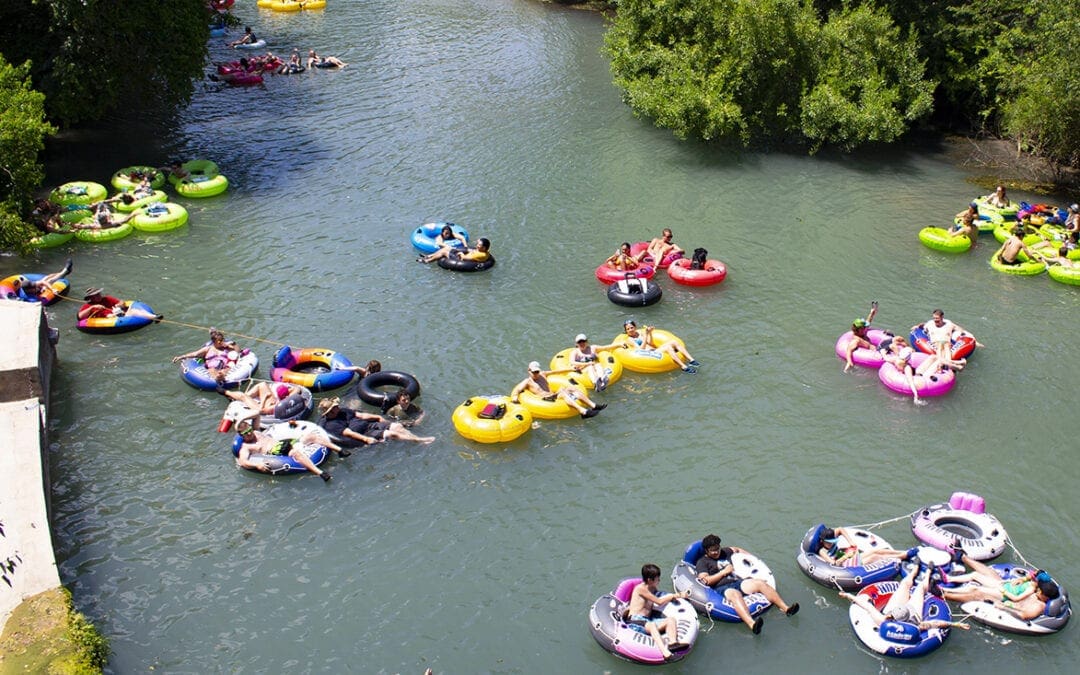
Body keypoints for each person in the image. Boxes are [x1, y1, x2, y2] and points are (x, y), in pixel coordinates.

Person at [694, 534, 799, 634]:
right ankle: (752, 625)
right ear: (706, 550)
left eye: (718, 548)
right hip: (721, 587)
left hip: (737, 582)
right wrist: (723, 572)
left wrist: (753, 560)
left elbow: (737, 549)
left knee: (759, 583)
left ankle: (786, 609)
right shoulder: (702, 562)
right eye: (713, 550)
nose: (716, 552)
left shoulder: (725, 552)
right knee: (735, 594)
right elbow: (705, 580)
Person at [839, 565, 970, 632]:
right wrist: (956, 624)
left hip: (898, 610)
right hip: (913, 612)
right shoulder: (916, 626)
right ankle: (927, 573)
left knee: (904, 584)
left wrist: (848, 595)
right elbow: (936, 623)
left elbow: (866, 605)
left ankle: (917, 570)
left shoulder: (882, 620)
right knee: (919, 590)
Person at [625, 564, 691, 661]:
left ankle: (673, 644)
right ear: (649, 580)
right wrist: (677, 595)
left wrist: (673, 599)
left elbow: (659, 600)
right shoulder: (641, 589)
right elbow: (659, 602)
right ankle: (665, 653)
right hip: (635, 621)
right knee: (652, 625)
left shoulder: (653, 589)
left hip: (646, 621)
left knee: (670, 620)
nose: (659, 580)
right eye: (657, 579)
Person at [233, 419, 335, 482]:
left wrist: (240, 420)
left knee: (311, 436)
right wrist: (257, 465)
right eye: (246, 433)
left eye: (249, 430)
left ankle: (339, 450)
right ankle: (320, 473)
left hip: (283, 443)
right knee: (295, 453)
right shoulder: (246, 447)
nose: (250, 434)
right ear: (241, 436)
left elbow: (255, 414)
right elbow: (243, 462)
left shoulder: (256, 432)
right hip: (276, 452)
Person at [510, 361, 606, 419]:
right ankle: (583, 412)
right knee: (564, 393)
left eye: (537, 371)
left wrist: (571, 369)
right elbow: (518, 389)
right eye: (533, 372)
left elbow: (556, 371)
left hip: (553, 395)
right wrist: (514, 397)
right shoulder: (528, 381)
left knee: (572, 388)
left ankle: (593, 405)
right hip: (545, 399)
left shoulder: (542, 374)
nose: (535, 374)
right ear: (529, 371)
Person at [317, 397, 435, 444]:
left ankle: (415, 438)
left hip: (369, 425)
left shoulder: (343, 411)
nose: (338, 407)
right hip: (364, 433)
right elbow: (349, 433)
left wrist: (379, 418)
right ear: (330, 411)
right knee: (391, 434)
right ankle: (419, 440)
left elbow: (361, 415)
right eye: (335, 407)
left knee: (397, 427)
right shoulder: (331, 424)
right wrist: (366, 439)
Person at [939, 554, 1039, 604]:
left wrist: (1003, 590)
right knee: (975, 575)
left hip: (1003, 594)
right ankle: (948, 578)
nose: (1030, 575)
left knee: (975, 588)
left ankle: (945, 591)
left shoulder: (1031, 590)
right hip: (1003, 585)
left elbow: (1016, 599)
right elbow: (1015, 584)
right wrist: (1006, 582)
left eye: (1033, 576)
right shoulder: (1028, 581)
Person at [912, 309, 979, 372]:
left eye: (937, 318)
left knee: (946, 346)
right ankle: (956, 364)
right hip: (936, 344)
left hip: (947, 344)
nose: (935, 320)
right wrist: (917, 326)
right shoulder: (930, 324)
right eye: (934, 318)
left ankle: (946, 366)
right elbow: (922, 326)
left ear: (942, 317)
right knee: (940, 346)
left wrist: (974, 341)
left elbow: (960, 330)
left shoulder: (949, 324)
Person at [621, 320, 699, 374]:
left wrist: (650, 333)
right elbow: (640, 350)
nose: (630, 330)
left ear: (635, 327)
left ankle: (691, 360)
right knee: (668, 347)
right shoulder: (630, 339)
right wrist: (645, 336)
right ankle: (683, 367)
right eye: (628, 329)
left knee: (674, 342)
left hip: (654, 350)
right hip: (647, 354)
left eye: (631, 327)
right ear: (626, 331)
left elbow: (651, 343)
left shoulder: (640, 333)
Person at [817, 527, 916, 567]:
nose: (831, 544)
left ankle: (904, 552)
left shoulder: (830, 539)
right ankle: (901, 557)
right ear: (823, 541)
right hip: (845, 565)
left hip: (848, 557)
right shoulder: (822, 551)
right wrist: (846, 556)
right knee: (874, 557)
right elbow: (835, 563)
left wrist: (850, 542)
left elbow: (840, 530)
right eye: (829, 542)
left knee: (875, 551)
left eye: (832, 541)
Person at [171, 329, 243, 384]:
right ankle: (218, 379)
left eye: (222, 340)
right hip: (212, 368)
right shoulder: (208, 349)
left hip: (224, 367)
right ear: (214, 341)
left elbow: (238, 351)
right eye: (219, 341)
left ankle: (222, 377)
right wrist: (181, 357)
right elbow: (195, 354)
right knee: (212, 370)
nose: (221, 342)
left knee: (226, 369)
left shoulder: (227, 347)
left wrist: (231, 345)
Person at [79, 287, 161, 322]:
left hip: (121, 315)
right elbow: (80, 317)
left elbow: (122, 302)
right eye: (96, 295)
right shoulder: (88, 306)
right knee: (133, 312)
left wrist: (119, 305)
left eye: (99, 294)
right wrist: (93, 307)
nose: (99, 295)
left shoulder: (107, 299)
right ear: (91, 297)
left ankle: (153, 316)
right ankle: (154, 317)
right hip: (111, 320)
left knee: (134, 309)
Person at [222, 381, 302, 416]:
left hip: (263, 408)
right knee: (263, 384)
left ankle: (227, 393)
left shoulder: (276, 406)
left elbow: (261, 411)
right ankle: (233, 396)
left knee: (244, 396)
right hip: (277, 403)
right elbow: (297, 388)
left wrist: (264, 399)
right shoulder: (291, 396)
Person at [842, 302, 878, 373]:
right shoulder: (856, 340)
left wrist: (871, 313)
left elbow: (868, 322)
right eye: (864, 327)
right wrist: (849, 362)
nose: (866, 328)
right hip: (873, 359)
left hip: (877, 351)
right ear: (859, 329)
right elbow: (849, 350)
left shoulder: (862, 333)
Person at [418, 237, 490, 265]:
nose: (477, 245)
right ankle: (429, 256)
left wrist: (461, 253)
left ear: (484, 248)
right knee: (447, 248)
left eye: (479, 245)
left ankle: (427, 261)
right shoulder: (483, 251)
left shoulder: (480, 255)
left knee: (444, 252)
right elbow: (473, 251)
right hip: (463, 257)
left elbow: (465, 258)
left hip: (462, 260)